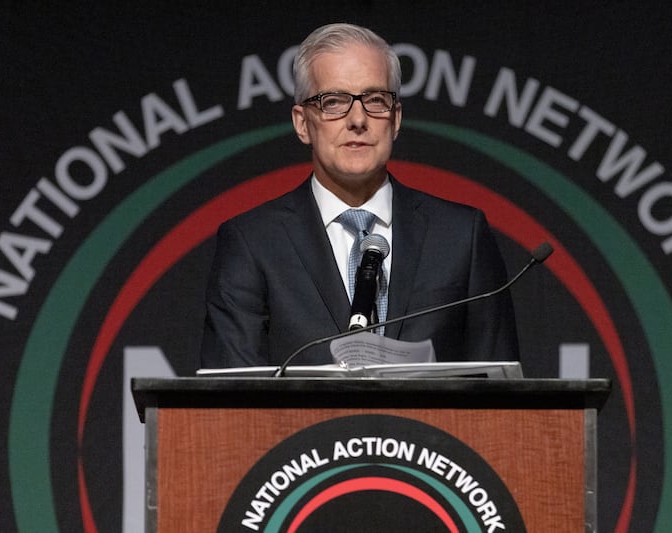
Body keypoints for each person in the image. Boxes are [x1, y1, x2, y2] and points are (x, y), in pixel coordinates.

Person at [200, 23, 518, 368]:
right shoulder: (253, 242)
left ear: (395, 119)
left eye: (375, 100)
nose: (357, 119)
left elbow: (501, 394)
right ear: (303, 123)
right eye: (333, 101)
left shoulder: (461, 236)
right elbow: (228, 397)